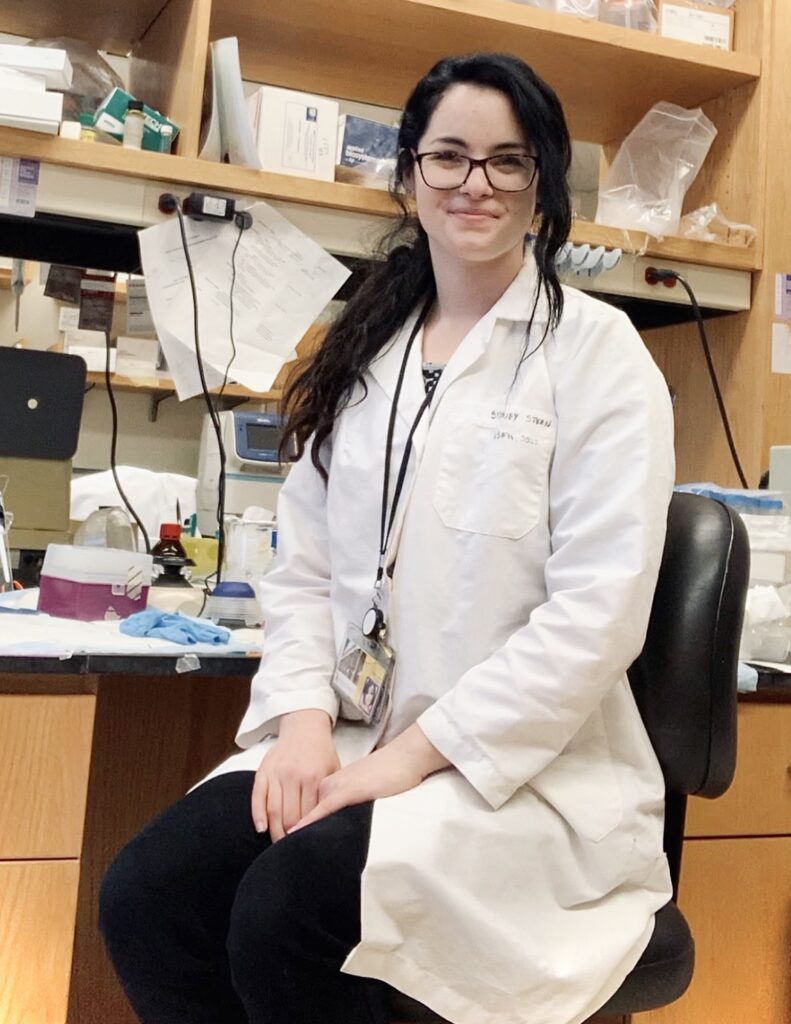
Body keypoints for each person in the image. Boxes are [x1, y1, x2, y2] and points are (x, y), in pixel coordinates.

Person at [99, 51, 675, 1024]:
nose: (474, 182)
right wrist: (302, 721)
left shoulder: (597, 356)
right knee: (149, 894)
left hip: (513, 775)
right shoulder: (368, 352)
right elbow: (304, 570)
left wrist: (398, 763)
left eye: (506, 160)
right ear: (408, 176)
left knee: (286, 913)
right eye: (448, 156)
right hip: (354, 734)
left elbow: (594, 619)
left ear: (540, 181)